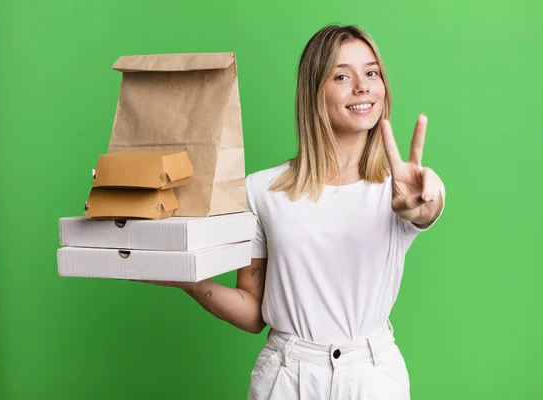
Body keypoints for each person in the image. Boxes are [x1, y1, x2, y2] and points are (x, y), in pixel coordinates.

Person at [140, 24, 445, 399]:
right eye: (341, 75)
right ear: (314, 92)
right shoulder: (261, 190)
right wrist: (186, 279)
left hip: (372, 377)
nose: (363, 86)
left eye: (371, 72)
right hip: (287, 377)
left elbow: (426, 208)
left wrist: (424, 203)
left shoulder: (401, 190)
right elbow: (254, 312)